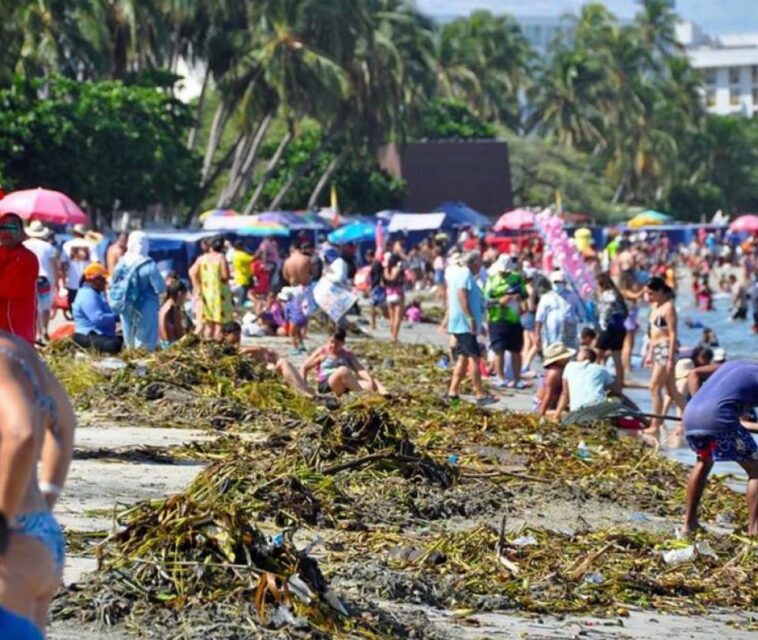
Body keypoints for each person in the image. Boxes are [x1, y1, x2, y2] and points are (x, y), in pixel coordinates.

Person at [0, 330, 76, 634]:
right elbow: (65, 422)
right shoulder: (18, 349)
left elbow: (22, 433)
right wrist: (48, 494)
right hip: (39, 530)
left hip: (12, 538)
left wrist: (3, 521)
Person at [681, 360, 758, 537]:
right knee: (756, 470)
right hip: (719, 418)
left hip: (691, 414)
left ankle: (688, 524)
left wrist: (699, 405)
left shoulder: (733, 365)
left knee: (703, 462)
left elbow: (694, 374)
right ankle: (754, 531)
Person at [446, 251, 493, 406]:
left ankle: (453, 391)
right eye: (479, 263)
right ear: (473, 263)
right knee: (474, 358)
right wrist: (470, 318)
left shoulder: (462, 274)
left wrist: (480, 324)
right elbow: (462, 296)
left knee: (463, 358)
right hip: (463, 324)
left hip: (462, 323)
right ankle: (479, 394)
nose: (481, 266)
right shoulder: (465, 274)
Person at [220, 322, 315, 398]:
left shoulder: (241, 347)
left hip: (260, 373)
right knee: (283, 363)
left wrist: (264, 352)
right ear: (225, 334)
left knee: (283, 362)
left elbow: (256, 350)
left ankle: (304, 390)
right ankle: (304, 391)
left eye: (239, 334)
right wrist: (257, 350)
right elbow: (235, 356)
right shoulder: (222, 348)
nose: (238, 337)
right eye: (235, 334)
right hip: (252, 379)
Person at [644, 276, 686, 436]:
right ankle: (690, 416)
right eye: (647, 294)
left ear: (661, 291)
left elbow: (673, 333)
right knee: (672, 390)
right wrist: (649, 354)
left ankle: (655, 424)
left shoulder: (669, 307)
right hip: (656, 348)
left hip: (666, 348)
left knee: (654, 387)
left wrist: (670, 358)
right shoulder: (655, 307)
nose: (649, 297)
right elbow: (652, 334)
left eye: (651, 294)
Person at [112, 231, 166, 351]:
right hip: (146, 305)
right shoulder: (148, 264)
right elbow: (161, 287)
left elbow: (114, 282)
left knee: (129, 336)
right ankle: (142, 365)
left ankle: (130, 359)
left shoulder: (122, 262)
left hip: (125, 303)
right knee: (145, 338)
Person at [300, 328, 388, 396]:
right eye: (331, 342)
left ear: (343, 343)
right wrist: (304, 387)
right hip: (327, 384)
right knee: (343, 370)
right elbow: (304, 367)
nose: (333, 346)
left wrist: (369, 379)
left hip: (344, 385)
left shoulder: (347, 354)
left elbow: (359, 369)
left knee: (374, 382)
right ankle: (363, 395)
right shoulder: (322, 351)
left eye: (337, 344)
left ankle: (387, 397)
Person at [484, 255, 527, 389]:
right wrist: (500, 300)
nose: (505, 273)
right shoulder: (492, 279)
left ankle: (517, 379)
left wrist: (518, 296)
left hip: (513, 318)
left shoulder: (517, 278)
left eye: (507, 271)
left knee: (515, 350)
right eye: (503, 271)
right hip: (496, 318)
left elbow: (525, 294)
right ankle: (500, 377)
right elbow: (485, 300)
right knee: (499, 349)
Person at [0, 213, 39, 345]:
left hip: (17, 329)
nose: (6, 232)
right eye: (3, 227)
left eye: (12, 227)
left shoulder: (28, 258)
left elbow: (13, 290)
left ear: (22, 233)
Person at [554, 347, 621, 420]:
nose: (577, 355)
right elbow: (616, 390)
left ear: (584, 356)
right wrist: (606, 393)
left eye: (579, 353)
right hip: (598, 410)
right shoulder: (601, 369)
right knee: (616, 399)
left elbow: (565, 394)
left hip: (576, 412)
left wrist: (556, 415)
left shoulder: (570, 366)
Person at [189, 236, 233, 340]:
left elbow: (192, 272)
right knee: (219, 324)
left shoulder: (202, 258)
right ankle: (216, 346)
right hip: (219, 294)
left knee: (209, 323)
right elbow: (225, 276)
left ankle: (207, 344)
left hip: (206, 293)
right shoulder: (221, 257)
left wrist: (197, 287)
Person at [72, 263, 123, 354]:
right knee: (114, 345)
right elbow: (98, 319)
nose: (105, 282)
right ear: (95, 280)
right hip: (87, 335)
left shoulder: (95, 293)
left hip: (99, 333)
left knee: (123, 339)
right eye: (103, 280)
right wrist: (116, 317)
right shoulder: (87, 295)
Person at [23, 222, 60, 344]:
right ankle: (45, 330)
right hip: (45, 280)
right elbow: (55, 265)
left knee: (34, 308)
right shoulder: (48, 246)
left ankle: (38, 333)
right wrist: (57, 281)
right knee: (45, 307)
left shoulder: (23, 245)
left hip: (29, 280)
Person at [595, 272, 628, 388]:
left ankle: (594, 381)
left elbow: (604, 313)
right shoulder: (617, 294)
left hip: (608, 328)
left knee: (597, 356)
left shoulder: (606, 295)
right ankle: (619, 384)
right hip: (620, 328)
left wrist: (601, 328)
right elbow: (625, 312)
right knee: (617, 358)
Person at [282, 242, 314, 352]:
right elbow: (312, 273)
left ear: (292, 248)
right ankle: (301, 343)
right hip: (305, 290)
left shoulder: (287, 261)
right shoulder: (306, 259)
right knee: (304, 317)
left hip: (294, 290)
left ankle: (296, 345)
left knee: (293, 319)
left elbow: (285, 276)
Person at [534, 342, 575, 418]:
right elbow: (548, 395)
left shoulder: (562, 369)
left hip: (554, 405)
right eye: (566, 357)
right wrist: (540, 415)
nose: (569, 358)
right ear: (559, 359)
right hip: (543, 407)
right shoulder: (554, 373)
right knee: (572, 415)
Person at [535, 273, 574, 349]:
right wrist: (537, 334)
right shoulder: (546, 298)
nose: (558, 284)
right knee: (553, 350)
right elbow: (539, 318)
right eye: (555, 282)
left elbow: (580, 313)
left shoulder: (572, 296)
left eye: (559, 282)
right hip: (551, 331)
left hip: (568, 330)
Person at [383, 253, 405, 343]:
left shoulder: (385, 270)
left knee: (391, 318)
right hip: (398, 293)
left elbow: (384, 282)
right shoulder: (398, 269)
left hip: (388, 294)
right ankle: (395, 336)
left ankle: (392, 335)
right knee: (397, 317)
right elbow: (403, 280)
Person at [159, 280, 188, 348]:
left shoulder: (164, 305)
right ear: (180, 294)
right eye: (184, 296)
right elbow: (179, 330)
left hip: (162, 343)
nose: (184, 299)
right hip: (171, 344)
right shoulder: (173, 308)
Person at [366, 249, 386, 331]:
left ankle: (373, 325)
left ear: (369, 256)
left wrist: (371, 286)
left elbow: (377, 277)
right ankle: (373, 324)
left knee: (373, 306)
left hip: (376, 287)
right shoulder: (376, 263)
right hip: (378, 287)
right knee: (381, 307)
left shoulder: (375, 264)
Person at [230, 240, 254, 307]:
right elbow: (252, 259)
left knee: (242, 297)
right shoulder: (241, 254)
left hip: (239, 277)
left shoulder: (235, 254)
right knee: (242, 298)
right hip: (243, 279)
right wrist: (259, 251)